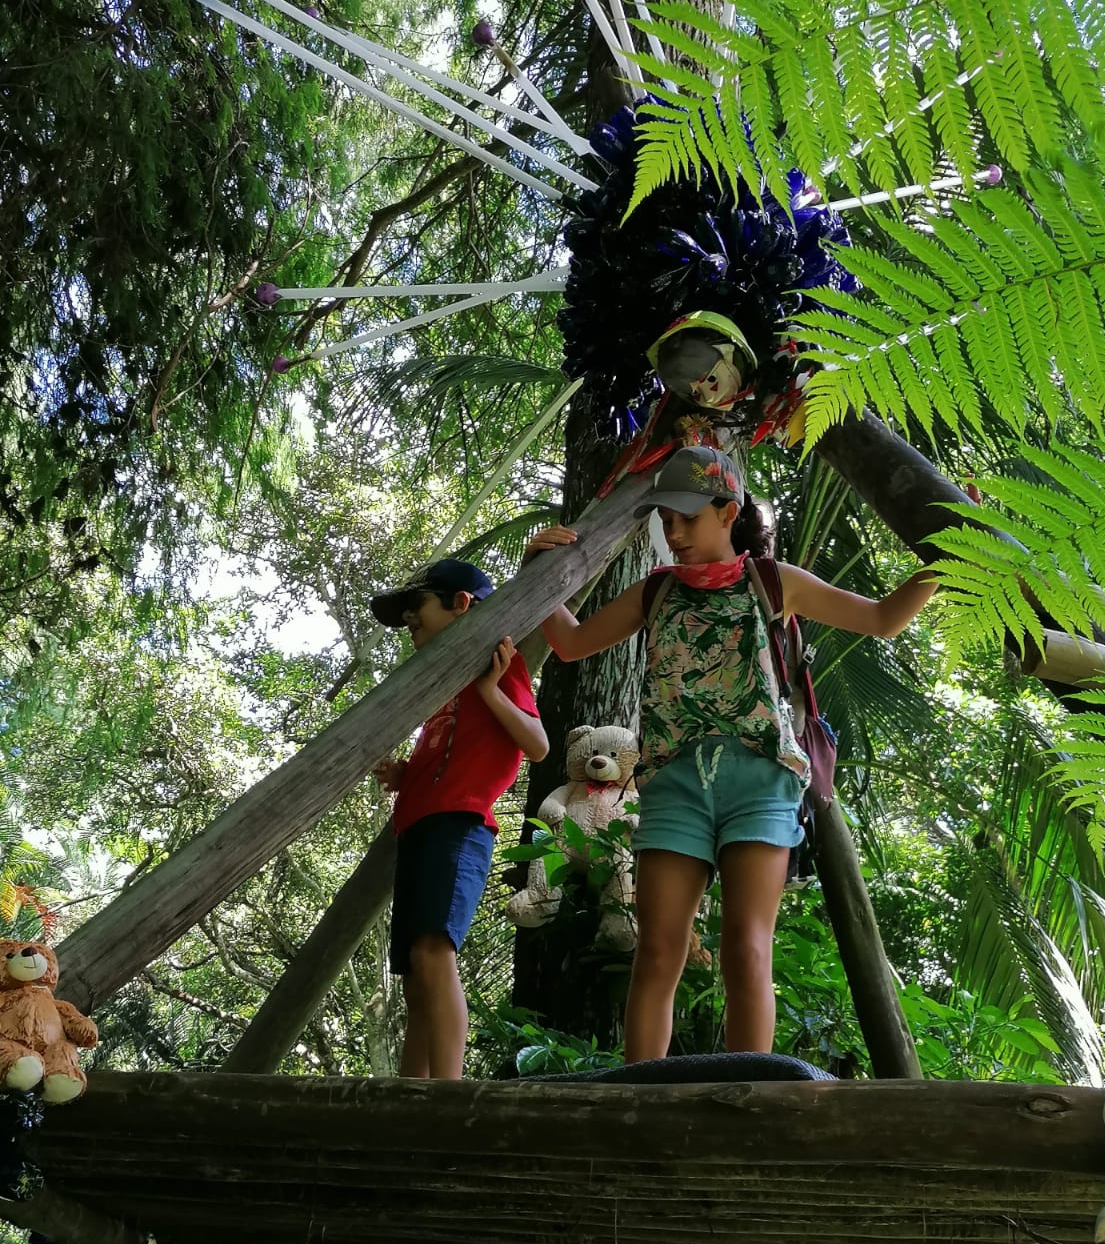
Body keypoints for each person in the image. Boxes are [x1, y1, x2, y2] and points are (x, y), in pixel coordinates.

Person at [524, 446, 940, 1064]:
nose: (675, 532)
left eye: (689, 518)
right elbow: (571, 643)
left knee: (747, 947)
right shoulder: (655, 592)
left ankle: (755, 1102)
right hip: (674, 786)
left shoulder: (774, 582)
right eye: (667, 520)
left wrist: (950, 558)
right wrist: (536, 568)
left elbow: (882, 619)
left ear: (728, 510)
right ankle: (644, 1102)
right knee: (658, 949)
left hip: (760, 782)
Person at [371, 558, 549, 1079]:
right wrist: (407, 775)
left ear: (462, 604)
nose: (410, 622)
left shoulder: (497, 663)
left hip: (459, 823)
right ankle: (410, 1093)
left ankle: (444, 1094)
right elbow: (451, 749)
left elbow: (537, 745)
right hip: (420, 823)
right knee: (414, 972)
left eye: (417, 607)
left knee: (431, 950)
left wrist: (492, 690)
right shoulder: (440, 682)